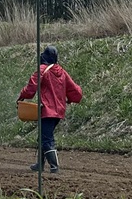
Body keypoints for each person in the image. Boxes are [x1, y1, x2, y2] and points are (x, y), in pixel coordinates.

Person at [17, 45, 83, 173]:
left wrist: (21, 96)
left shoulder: (42, 70)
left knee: (46, 139)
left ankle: (54, 166)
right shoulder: (62, 71)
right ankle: (40, 165)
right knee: (43, 136)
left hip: (47, 110)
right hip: (59, 111)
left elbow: (30, 89)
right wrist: (71, 99)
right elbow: (75, 91)